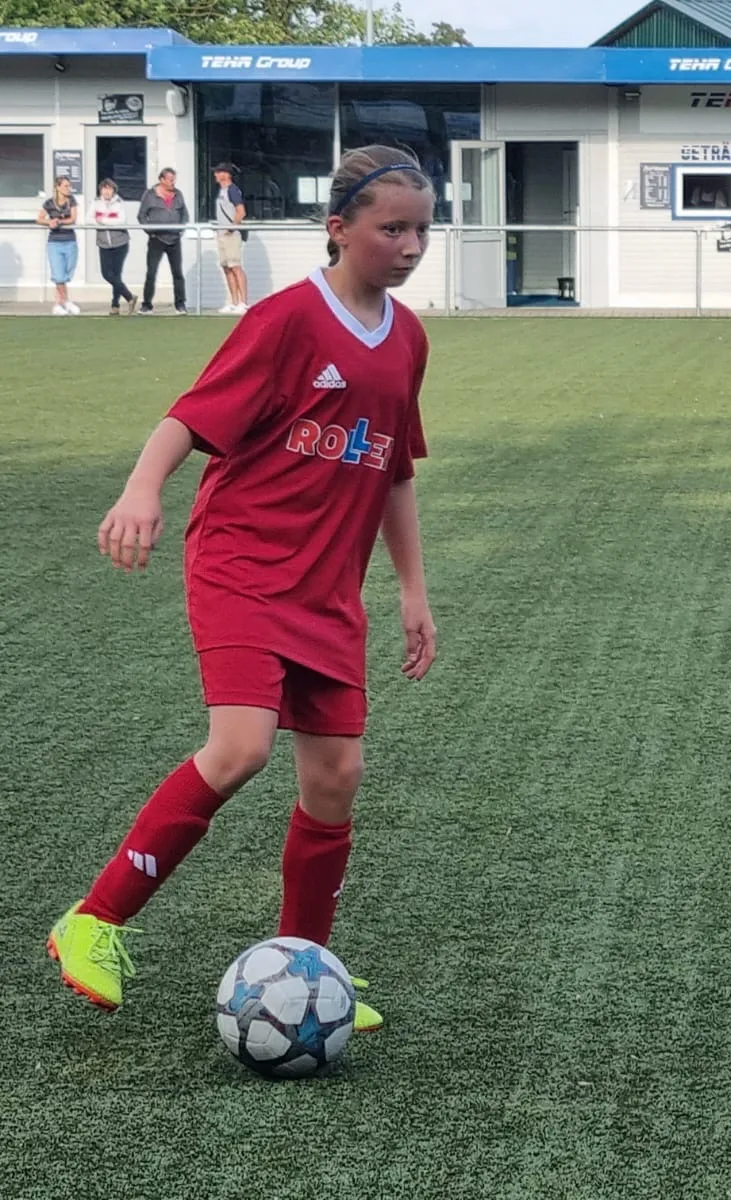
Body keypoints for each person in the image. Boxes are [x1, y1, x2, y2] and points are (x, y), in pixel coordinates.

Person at [47, 145, 439, 1031]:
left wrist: (412, 591)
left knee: (337, 775)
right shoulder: (286, 318)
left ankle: (307, 970)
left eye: (422, 230)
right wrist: (141, 490)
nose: (411, 247)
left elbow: (395, 473)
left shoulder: (408, 339)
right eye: (392, 229)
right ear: (338, 228)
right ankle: (93, 920)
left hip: (329, 593)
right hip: (243, 567)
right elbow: (188, 417)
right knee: (241, 748)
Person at [138, 167, 188, 314]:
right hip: (156, 239)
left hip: (174, 239)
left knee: (177, 273)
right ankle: (147, 305)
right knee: (151, 272)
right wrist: (150, 231)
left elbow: (184, 214)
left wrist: (180, 229)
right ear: (162, 180)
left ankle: (180, 304)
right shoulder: (150, 195)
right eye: (170, 180)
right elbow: (141, 215)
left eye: (174, 179)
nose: (173, 182)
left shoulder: (178, 194)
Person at [91, 179, 136, 315]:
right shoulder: (95, 203)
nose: (106, 191)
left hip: (120, 243)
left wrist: (102, 220)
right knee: (107, 274)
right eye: (104, 188)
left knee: (116, 274)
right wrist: (107, 220)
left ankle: (115, 305)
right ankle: (129, 296)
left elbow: (121, 221)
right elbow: (89, 219)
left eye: (109, 189)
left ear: (114, 191)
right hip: (104, 244)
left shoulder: (119, 203)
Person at [37, 175, 79, 315]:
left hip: (70, 241)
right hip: (55, 242)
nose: (68, 188)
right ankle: (62, 302)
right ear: (58, 187)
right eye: (65, 186)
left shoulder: (71, 200)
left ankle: (61, 302)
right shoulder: (49, 203)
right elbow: (39, 219)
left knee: (66, 273)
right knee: (58, 275)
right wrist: (49, 222)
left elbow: (73, 218)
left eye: (69, 186)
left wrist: (59, 222)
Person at [212, 162, 250, 315]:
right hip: (221, 233)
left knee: (235, 266)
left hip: (231, 234)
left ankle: (243, 302)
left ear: (225, 174)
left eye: (218, 172)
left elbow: (241, 212)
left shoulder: (232, 190)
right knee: (226, 267)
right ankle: (234, 302)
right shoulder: (221, 191)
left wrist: (231, 227)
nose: (215, 175)